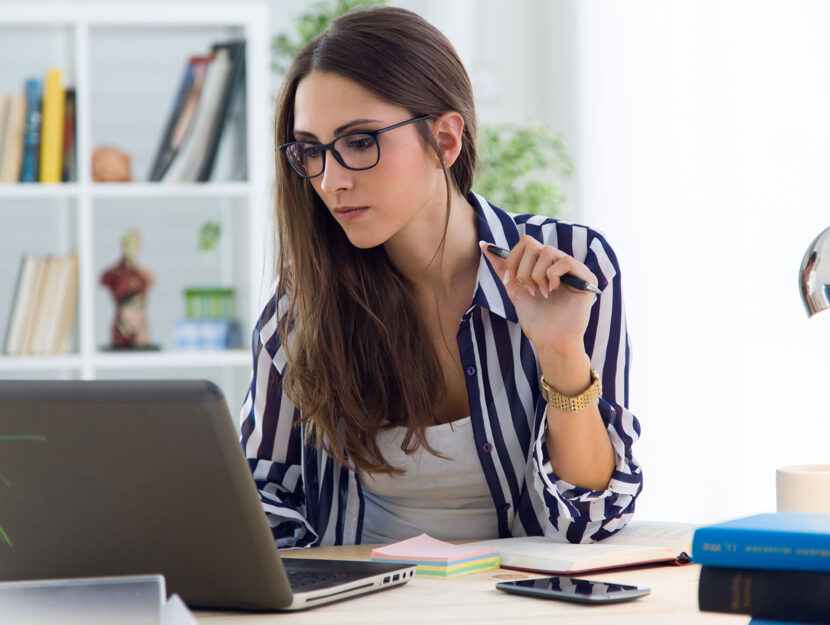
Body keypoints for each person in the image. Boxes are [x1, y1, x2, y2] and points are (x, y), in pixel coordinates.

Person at [240, 6, 642, 548]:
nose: (331, 181)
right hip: (362, 605)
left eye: (360, 142)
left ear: (446, 141)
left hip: (519, 602)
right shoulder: (300, 309)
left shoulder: (571, 263)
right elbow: (262, 497)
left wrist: (562, 353)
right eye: (310, 151)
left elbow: (592, 518)